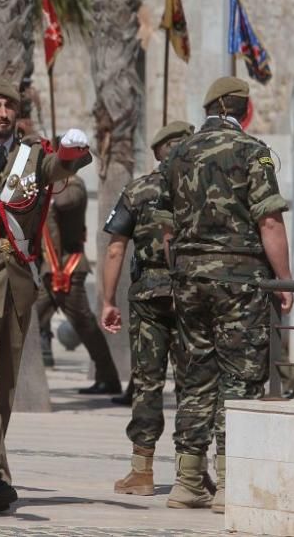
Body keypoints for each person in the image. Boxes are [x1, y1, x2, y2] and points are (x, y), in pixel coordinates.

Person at [0, 78, 92, 510]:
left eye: (9, 106)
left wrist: (71, 150)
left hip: (17, 282)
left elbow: (61, 169)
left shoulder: (33, 156)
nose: (4, 113)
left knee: (4, 384)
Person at [157, 76, 292, 513]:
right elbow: (269, 221)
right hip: (239, 279)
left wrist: (182, 270)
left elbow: (166, 230)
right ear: (244, 111)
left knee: (195, 377)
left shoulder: (176, 154)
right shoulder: (253, 152)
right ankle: (233, 481)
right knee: (242, 376)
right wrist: (284, 279)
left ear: (208, 108)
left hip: (188, 280)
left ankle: (188, 480)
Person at [100, 121, 194, 496]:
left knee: (147, 384)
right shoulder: (200, 190)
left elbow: (115, 248)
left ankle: (142, 472)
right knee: (193, 385)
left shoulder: (138, 189)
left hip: (148, 297)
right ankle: (192, 472)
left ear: (158, 153)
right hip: (191, 295)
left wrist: (107, 300)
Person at [34, 171, 122, 394]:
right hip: (49, 268)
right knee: (30, 320)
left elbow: (66, 201)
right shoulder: (44, 185)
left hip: (69, 267)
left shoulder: (75, 184)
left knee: (84, 324)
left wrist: (51, 184)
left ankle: (108, 378)